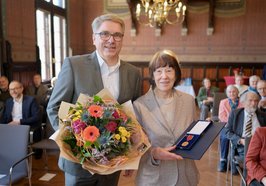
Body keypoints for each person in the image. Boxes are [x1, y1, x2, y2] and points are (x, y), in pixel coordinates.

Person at [47, 14, 141, 186]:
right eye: (105, 34)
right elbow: (54, 107)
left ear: (122, 39)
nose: (111, 40)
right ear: (94, 38)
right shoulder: (74, 65)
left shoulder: (133, 73)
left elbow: (133, 117)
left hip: (113, 163)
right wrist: (74, 144)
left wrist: (130, 156)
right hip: (78, 163)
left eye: (117, 35)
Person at [133, 50, 199, 186]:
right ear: (152, 75)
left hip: (185, 176)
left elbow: (193, 136)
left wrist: (205, 131)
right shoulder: (139, 105)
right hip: (153, 178)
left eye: (169, 70)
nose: (164, 76)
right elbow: (135, 146)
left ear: (176, 74)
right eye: (159, 71)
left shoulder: (189, 101)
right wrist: (154, 153)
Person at [225, 91, 266, 174]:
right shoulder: (235, 114)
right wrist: (240, 140)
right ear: (243, 102)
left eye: (256, 101)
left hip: (261, 146)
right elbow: (227, 131)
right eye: (250, 100)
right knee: (250, 161)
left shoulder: (263, 115)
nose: (254, 103)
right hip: (244, 145)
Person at [217, 85, 243, 172]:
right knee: (224, 137)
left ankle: (234, 161)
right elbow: (222, 116)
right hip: (226, 126)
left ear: (238, 92)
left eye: (234, 91)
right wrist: (231, 124)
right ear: (227, 93)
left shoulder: (242, 102)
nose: (232, 93)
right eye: (229, 92)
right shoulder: (223, 102)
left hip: (239, 128)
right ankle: (223, 160)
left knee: (237, 137)